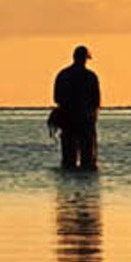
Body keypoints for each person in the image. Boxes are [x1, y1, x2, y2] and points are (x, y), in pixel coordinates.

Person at [48, 43, 102, 172]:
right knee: (88, 162)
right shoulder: (91, 77)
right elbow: (96, 101)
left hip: (68, 121)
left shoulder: (63, 75)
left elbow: (56, 98)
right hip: (85, 121)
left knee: (68, 161)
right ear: (85, 59)